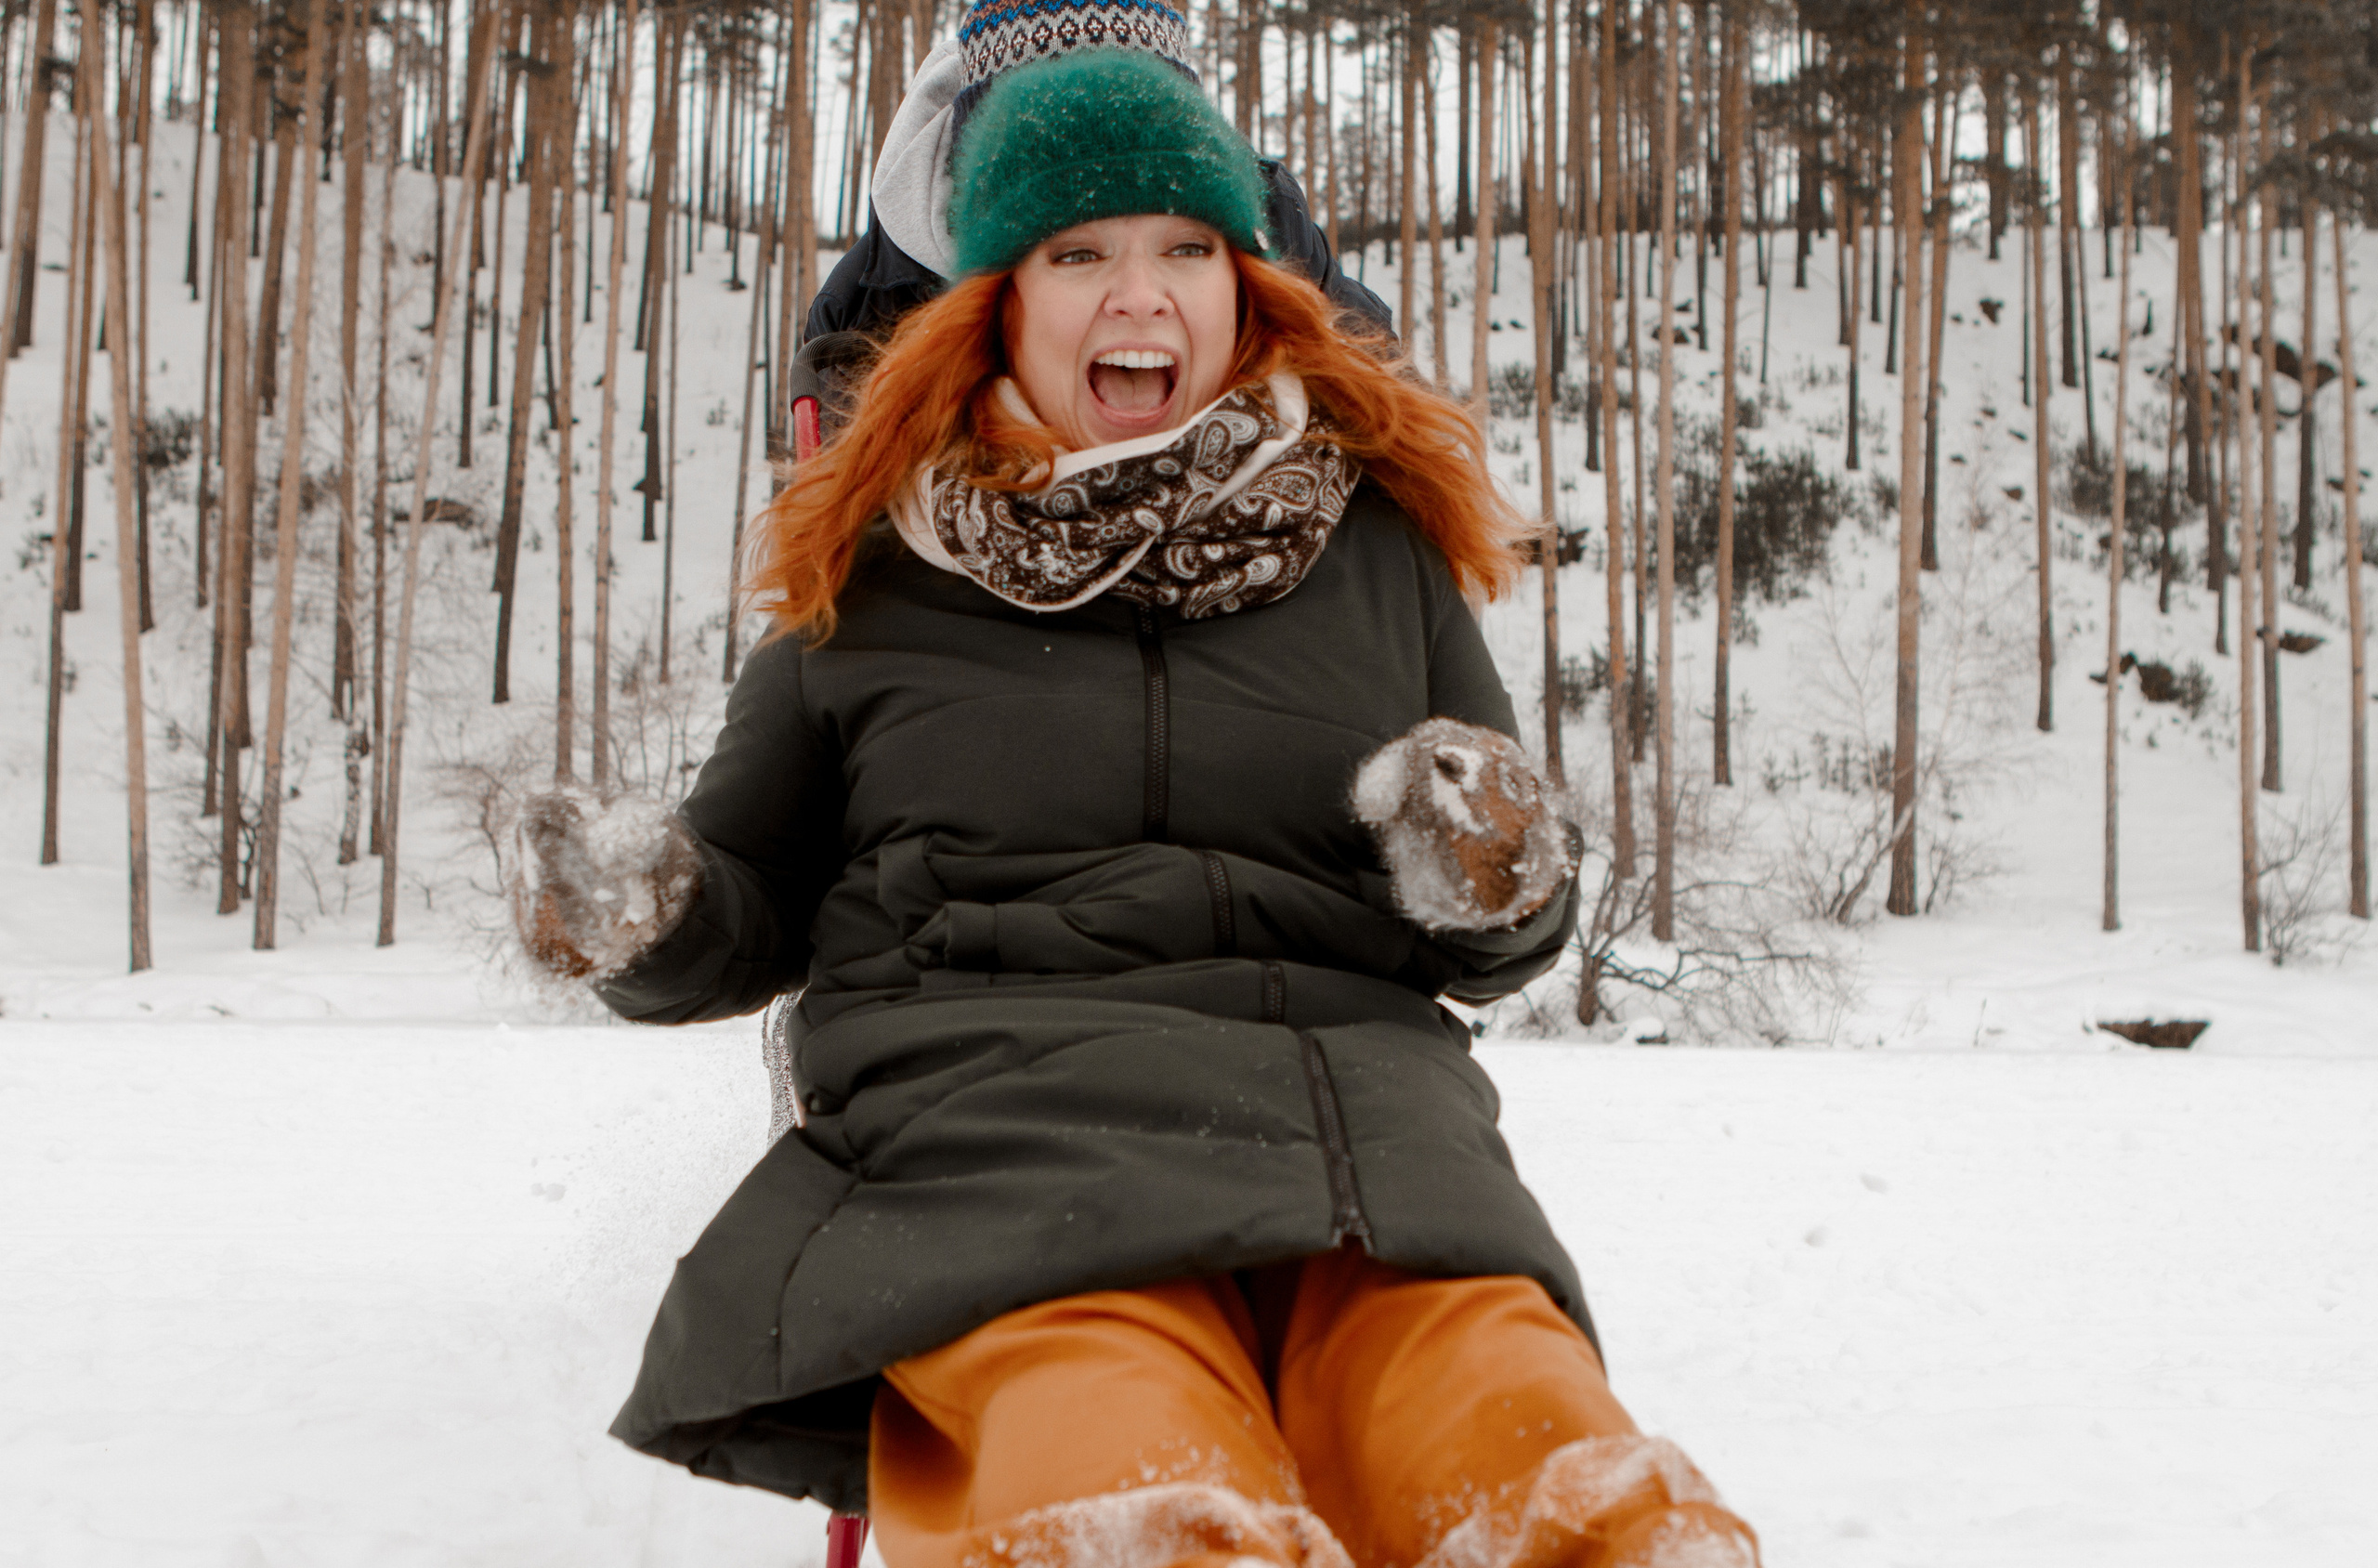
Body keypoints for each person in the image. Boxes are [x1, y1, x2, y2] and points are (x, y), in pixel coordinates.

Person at [510, 18, 1759, 1568]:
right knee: (1119, 1484)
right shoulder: (878, 571)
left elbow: (1493, 939)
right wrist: (654, 911)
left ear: (1249, 286)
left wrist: (1497, 872)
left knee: (1534, 1454)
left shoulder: (1379, 551)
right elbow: (752, 897)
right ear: (995, 306)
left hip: (1355, 1144)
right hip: (994, 1144)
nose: (1140, 292)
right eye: (1078, 251)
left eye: (1186, 245)